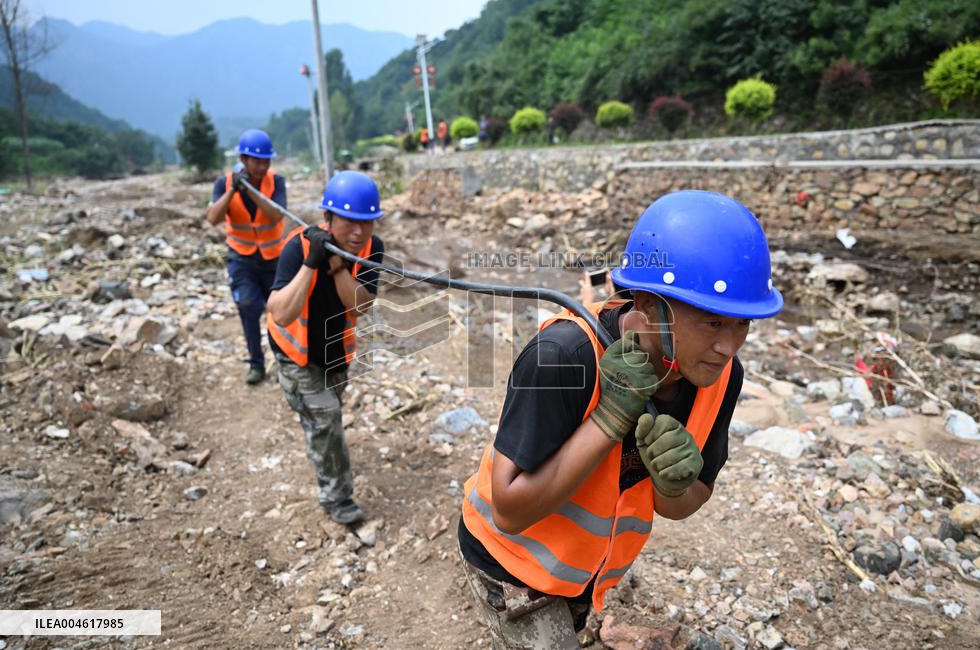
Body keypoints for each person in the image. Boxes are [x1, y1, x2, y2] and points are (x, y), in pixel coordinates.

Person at [458, 190, 783, 647]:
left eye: (742, 324)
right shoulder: (566, 357)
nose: (728, 346)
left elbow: (682, 502)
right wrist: (609, 421)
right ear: (648, 305)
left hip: (589, 574)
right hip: (509, 562)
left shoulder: (720, 376)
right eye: (712, 323)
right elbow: (508, 511)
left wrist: (674, 483)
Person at [266, 171, 385, 525]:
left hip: (336, 354)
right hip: (296, 355)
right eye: (349, 222)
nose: (358, 232)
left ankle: (323, 447)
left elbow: (361, 306)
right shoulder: (298, 246)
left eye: (367, 223)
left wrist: (336, 268)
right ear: (328, 218)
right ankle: (338, 499)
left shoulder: (370, 249)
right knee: (327, 418)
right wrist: (311, 263)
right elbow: (281, 313)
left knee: (326, 418)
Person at [206, 129, 286, 385]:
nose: (263, 166)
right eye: (257, 161)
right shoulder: (223, 183)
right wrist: (232, 191)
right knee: (249, 307)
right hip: (242, 260)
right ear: (243, 159)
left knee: (280, 312)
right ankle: (256, 364)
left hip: (274, 260)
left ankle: (285, 361)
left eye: (267, 161)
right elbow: (213, 218)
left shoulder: (277, 182)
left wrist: (250, 190)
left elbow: (276, 214)